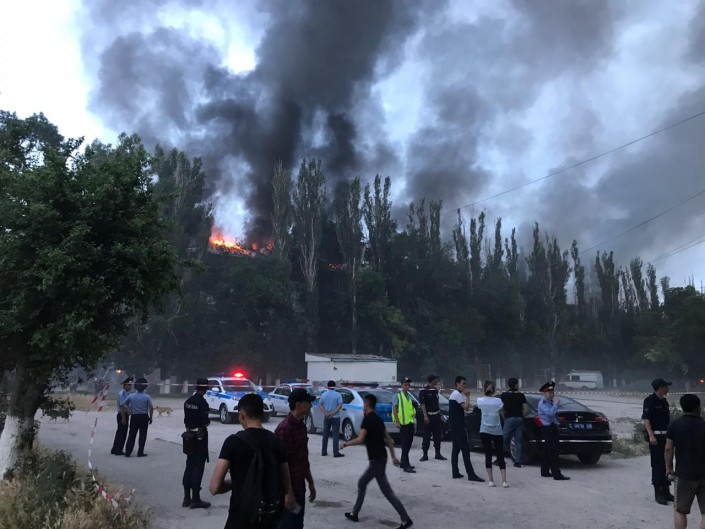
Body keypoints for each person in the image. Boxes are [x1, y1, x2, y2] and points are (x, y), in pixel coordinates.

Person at [210, 393, 296, 529]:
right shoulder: (277, 442)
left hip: (240, 519)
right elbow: (286, 484)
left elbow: (214, 488)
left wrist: (236, 482)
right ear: (262, 414)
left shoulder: (233, 442)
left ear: (241, 415)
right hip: (269, 519)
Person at [341, 393, 413, 529]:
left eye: (364, 404)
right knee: (363, 483)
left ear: (367, 405)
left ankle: (406, 519)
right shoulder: (379, 420)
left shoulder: (367, 420)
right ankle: (354, 513)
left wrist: (346, 444)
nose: (363, 406)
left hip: (376, 460)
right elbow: (389, 439)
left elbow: (360, 439)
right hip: (382, 457)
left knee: (386, 491)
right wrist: (393, 456)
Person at [275, 388, 317, 529]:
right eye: (308, 402)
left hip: (299, 488)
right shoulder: (285, 429)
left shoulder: (301, 426)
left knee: (298, 524)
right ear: (298, 404)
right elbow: (281, 464)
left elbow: (303, 459)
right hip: (286, 493)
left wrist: (310, 482)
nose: (311, 405)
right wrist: (288, 493)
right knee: (286, 524)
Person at [665, 393, 705, 529]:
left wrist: (669, 467)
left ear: (682, 407)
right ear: (698, 407)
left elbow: (668, 449)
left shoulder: (675, 424)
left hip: (684, 474)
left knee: (680, 510)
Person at [643, 377, 673, 505]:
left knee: (667, 463)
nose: (668, 388)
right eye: (666, 386)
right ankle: (658, 492)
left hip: (666, 436)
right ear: (660, 388)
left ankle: (666, 491)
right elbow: (646, 419)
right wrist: (651, 435)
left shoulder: (664, 401)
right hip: (656, 436)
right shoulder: (650, 401)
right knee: (657, 464)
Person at [182, 378, 211, 509]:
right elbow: (205, 421)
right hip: (199, 438)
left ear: (195, 387)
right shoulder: (202, 403)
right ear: (206, 388)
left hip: (189, 437)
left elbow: (186, 419)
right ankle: (195, 499)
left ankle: (186, 498)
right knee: (198, 467)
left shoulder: (188, 401)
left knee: (189, 466)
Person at [448, 376, 484, 482]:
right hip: (458, 427)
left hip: (455, 425)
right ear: (457, 383)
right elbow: (466, 408)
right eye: (463, 383)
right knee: (465, 450)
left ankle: (455, 472)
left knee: (456, 449)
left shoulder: (454, 394)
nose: (464, 385)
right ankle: (471, 474)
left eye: (465, 383)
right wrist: (468, 396)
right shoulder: (457, 395)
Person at [477, 380, 507, 488]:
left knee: (488, 454)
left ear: (484, 389)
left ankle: (491, 480)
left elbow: (479, 407)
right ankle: (504, 481)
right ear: (493, 390)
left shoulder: (480, 400)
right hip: (497, 431)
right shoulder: (498, 401)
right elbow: (502, 414)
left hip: (485, 430)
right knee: (500, 455)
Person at [537, 381, 569, 480]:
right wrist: (555, 404)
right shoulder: (542, 403)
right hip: (548, 429)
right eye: (549, 393)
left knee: (547, 451)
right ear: (544, 393)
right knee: (553, 452)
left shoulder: (550, 402)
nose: (552, 395)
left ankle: (545, 471)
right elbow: (550, 413)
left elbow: (554, 415)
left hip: (553, 427)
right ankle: (556, 474)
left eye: (552, 393)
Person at [500, 377, 528, 467]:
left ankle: (500, 458)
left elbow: (501, 408)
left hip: (509, 418)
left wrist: (504, 418)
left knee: (502, 439)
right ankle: (518, 462)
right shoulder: (521, 395)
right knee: (517, 441)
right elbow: (526, 409)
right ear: (516, 385)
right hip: (519, 419)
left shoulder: (504, 395)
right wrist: (522, 416)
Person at [122, 377, 153, 458]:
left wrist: (129, 409)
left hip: (134, 417)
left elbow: (124, 404)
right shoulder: (147, 397)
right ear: (145, 387)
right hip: (144, 417)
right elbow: (151, 408)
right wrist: (151, 417)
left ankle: (128, 452)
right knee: (142, 435)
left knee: (132, 435)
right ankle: (140, 452)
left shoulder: (131, 396)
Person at [418, 374, 446, 462]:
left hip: (436, 416)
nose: (437, 381)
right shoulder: (424, 391)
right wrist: (425, 416)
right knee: (426, 436)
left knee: (437, 435)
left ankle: (438, 453)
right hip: (429, 416)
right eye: (435, 379)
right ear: (432, 380)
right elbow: (423, 405)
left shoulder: (435, 390)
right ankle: (425, 454)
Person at [392, 377, 416, 473]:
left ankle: (403, 462)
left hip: (409, 422)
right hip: (403, 423)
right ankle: (406, 465)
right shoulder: (398, 395)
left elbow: (409, 408)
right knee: (405, 444)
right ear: (402, 385)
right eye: (405, 384)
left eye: (408, 385)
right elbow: (394, 409)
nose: (407, 386)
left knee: (409, 443)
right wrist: (397, 422)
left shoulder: (409, 396)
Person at [319, 380, 344, 457]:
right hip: (335, 417)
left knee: (325, 434)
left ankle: (324, 451)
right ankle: (336, 453)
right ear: (334, 386)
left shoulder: (324, 394)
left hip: (326, 417)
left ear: (327, 386)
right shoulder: (338, 395)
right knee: (335, 435)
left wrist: (326, 413)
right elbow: (340, 405)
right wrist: (333, 413)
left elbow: (320, 405)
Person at [110, 377, 133, 455]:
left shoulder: (126, 393)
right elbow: (122, 406)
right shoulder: (122, 394)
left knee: (119, 432)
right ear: (124, 385)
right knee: (122, 434)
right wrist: (124, 418)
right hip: (122, 415)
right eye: (128, 385)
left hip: (123, 414)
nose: (130, 387)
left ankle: (114, 449)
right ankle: (118, 450)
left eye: (131, 385)